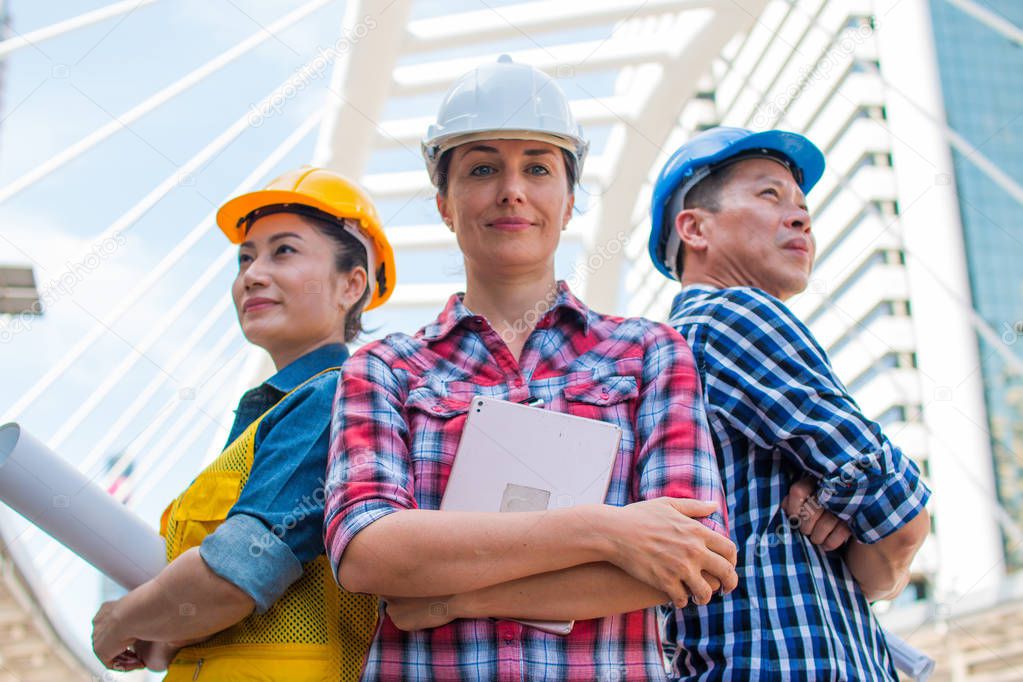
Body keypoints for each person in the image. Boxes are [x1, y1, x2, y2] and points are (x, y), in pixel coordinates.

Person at [323, 56, 738, 681]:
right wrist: (609, 530)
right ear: (443, 203)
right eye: (483, 168)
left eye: (537, 168)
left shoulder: (650, 353)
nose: (511, 189)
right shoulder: (383, 370)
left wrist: (456, 596)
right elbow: (369, 553)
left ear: (570, 202)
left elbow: (695, 556)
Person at [646, 126, 933, 680]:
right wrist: (857, 530)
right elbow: (902, 521)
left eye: (803, 205)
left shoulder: (664, 354)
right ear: (695, 228)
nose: (801, 217)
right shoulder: (732, 316)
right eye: (769, 195)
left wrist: (840, 510)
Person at [90, 167, 396, 681]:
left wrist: (122, 617)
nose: (252, 274)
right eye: (245, 258)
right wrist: (162, 631)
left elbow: (238, 572)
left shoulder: (335, 398)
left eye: (284, 251)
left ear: (351, 284)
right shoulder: (271, 413)